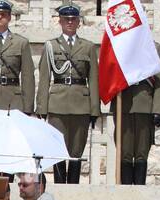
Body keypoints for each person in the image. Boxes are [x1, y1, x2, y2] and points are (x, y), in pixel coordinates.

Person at [37, 6, 99, 184]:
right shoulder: (51, 46)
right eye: (66, 19)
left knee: (76, 150)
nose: (70, 22)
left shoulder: (87, 47)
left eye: (73, 19)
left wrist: (94, 109)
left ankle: (73, 187)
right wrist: (42, 107)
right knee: (58, 149)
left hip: (81, 104)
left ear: (79, 22)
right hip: (57, 103)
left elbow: (93, 79)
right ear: (60, 22)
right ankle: (59, 188)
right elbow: (44, 78)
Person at [112, 43, 160, 184]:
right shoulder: (121, 44)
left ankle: (140, 191)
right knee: (125, 153)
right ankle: (126, 194)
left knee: (142, 153)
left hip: (145, 106)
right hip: (123, 105)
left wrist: (158, 109)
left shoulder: (153, 48)